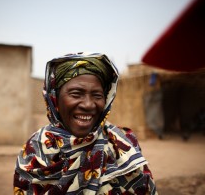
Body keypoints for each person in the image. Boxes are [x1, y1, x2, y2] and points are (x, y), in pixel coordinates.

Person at [13, 52, 157, 194]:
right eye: (76, 94)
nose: (88, 105)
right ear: (55, 98)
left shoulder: (122, 143)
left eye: (97, 95)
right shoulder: (34, 149)